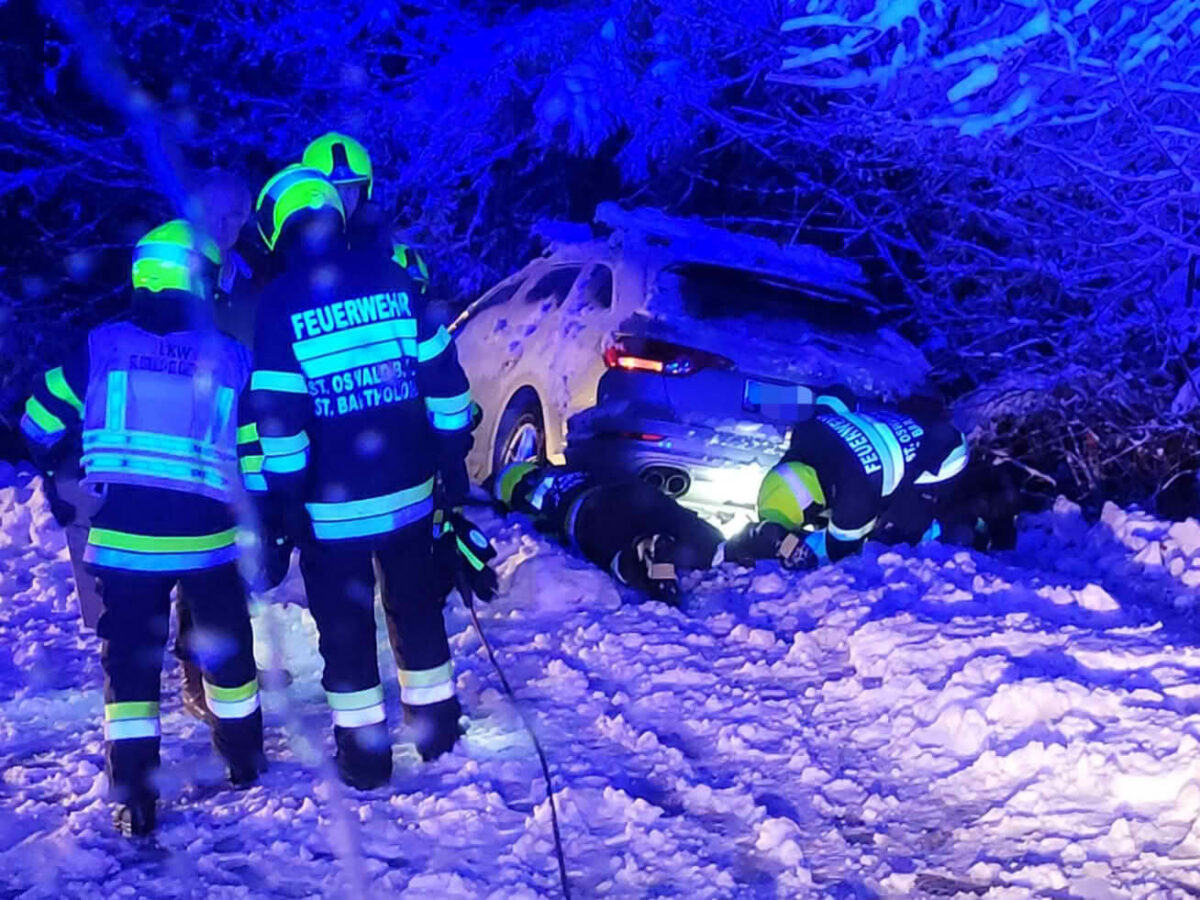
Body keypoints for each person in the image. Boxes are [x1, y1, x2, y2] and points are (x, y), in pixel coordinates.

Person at [20, 220, 265, 836]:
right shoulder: (232, 357)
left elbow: (35, 423)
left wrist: (61, 464)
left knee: (129, 673)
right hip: (206, 543)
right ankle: (242, 759)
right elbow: (257, 452)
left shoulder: (100, 347)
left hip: (123, 545)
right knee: (226, 654)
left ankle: (135, 795)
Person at [242, 165, 477, 789]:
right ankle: (437, 730)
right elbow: (446, 382)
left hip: (332, 508)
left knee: (346, 630)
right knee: (417, 610)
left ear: (277, 230)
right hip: (409, 496)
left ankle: (366, 756)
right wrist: (452, 457)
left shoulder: (282, 303)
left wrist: (285, 500)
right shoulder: (393, 278)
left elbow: (280, 416)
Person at [492, 461, 740, 603]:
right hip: (632, 492)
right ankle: (730, 547)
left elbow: (539, 528)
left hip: (587, 510)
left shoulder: (529, 497)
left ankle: (646, 555)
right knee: (678, 520)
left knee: (615, 552)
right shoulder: (568, 469)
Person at [754, 403, 970, 562]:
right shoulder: (807, 432)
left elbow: (840, 554)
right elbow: (834, 399)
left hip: (944, 457)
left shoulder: (854, 501)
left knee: (893, 539)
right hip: (914, 425)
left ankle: (955, 533)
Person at [300, 132, 431, 293]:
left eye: (352, 188)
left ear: (364, 191)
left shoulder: (380, 241)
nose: (344, 197)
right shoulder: (296, 243)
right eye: (335, 188)